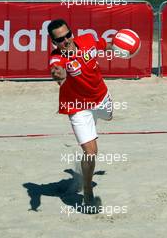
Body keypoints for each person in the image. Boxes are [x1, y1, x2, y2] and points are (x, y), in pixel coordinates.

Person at [47, 19, 113, 212]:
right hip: (77, 107)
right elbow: (55, 70)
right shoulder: (57, 58)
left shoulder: (88, 40)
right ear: (54, 43)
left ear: (72, 33)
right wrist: (59, 75)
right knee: (91, 152)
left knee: (108, 117)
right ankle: (87, 193)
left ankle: (80, 171)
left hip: (101, 98)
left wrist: (121, 46)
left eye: (68, 35)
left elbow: (105, 45)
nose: (66, 41)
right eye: (60, 39)